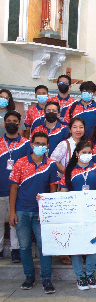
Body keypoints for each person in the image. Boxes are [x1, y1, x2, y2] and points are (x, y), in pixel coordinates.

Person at [8, 131, 58, 294]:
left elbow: (52, 189)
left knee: (45, 247)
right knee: (24, 246)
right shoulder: (20, 163)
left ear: (47, 146)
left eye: (43, 144)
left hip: (41, 214)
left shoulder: (51, 164)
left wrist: (47, 211)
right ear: (31, 145)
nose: (40, 147)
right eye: (37, 144)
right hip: (21, 211)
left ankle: (46, 279)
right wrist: (12, 212)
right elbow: (13, 188)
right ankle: (29, 277)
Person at [59, 140, 96, 290]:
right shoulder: (69, 170)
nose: (87, 155)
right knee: (76, 246)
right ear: (76, 154)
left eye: (89, 152)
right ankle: (80, 275)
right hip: (75, 214)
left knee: (93, 244)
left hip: (93, 213)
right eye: (83, 153)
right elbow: (62, 192)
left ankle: (89, 273)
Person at [0, 111, 29, 262]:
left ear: (19, 124)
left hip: (18, 190)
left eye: (14, 121)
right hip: (0, 189)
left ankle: (15, 250)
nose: (11, 123)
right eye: (9, 121)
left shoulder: (26, 144)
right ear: (4, 124)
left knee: (14, 222)